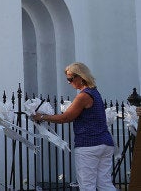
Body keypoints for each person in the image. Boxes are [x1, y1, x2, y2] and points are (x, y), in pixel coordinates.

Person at [33, 62, 116, 191]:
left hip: (89, 145)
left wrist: (42, 117)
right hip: (105, 143)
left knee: (87, 186)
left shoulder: (83, 96)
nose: (68, 82)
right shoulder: (95, 93)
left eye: (70, 79)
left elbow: (66, 117)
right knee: (104, 184)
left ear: (81, 77)